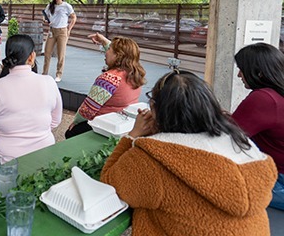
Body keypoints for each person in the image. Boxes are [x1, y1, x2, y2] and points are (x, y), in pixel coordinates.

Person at [101, 70, 277, 235]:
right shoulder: (242, 143)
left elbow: (110, 183)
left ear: (157, 110)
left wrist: (132, 136)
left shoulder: (152, 158)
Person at [0, 35, 63, 166]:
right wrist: (36, 128)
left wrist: (4, 129)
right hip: (45, 157)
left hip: (8, 161)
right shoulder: (49, 82)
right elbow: (55, 120)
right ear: (31, 57)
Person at [232, 43, 284, 210]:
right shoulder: (276, 95)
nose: (240, 75)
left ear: (259, 73)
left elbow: (228, 136)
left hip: (277, 179)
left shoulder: (264, 99)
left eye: (242, 69)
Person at [65, 33, 145, 139]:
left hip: (104, 125)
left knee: (70, 133)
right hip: (123, 124)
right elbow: (124, 53)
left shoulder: (109, 79)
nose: (105, 52)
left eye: (109, 49)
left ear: (118, 56)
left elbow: (87, 111)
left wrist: (75, 122)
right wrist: (104, 41)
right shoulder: (135, 73)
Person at [42, 0, 76, 82]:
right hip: (52, 30)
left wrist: (69, 28)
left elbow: (74, 17)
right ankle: (44, 73)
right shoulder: (50, 6)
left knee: (61, 54)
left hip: (62, 31)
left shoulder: (66, 6)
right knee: (47, 52)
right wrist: (45, 20)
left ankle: (59, 74)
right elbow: (44, 16)